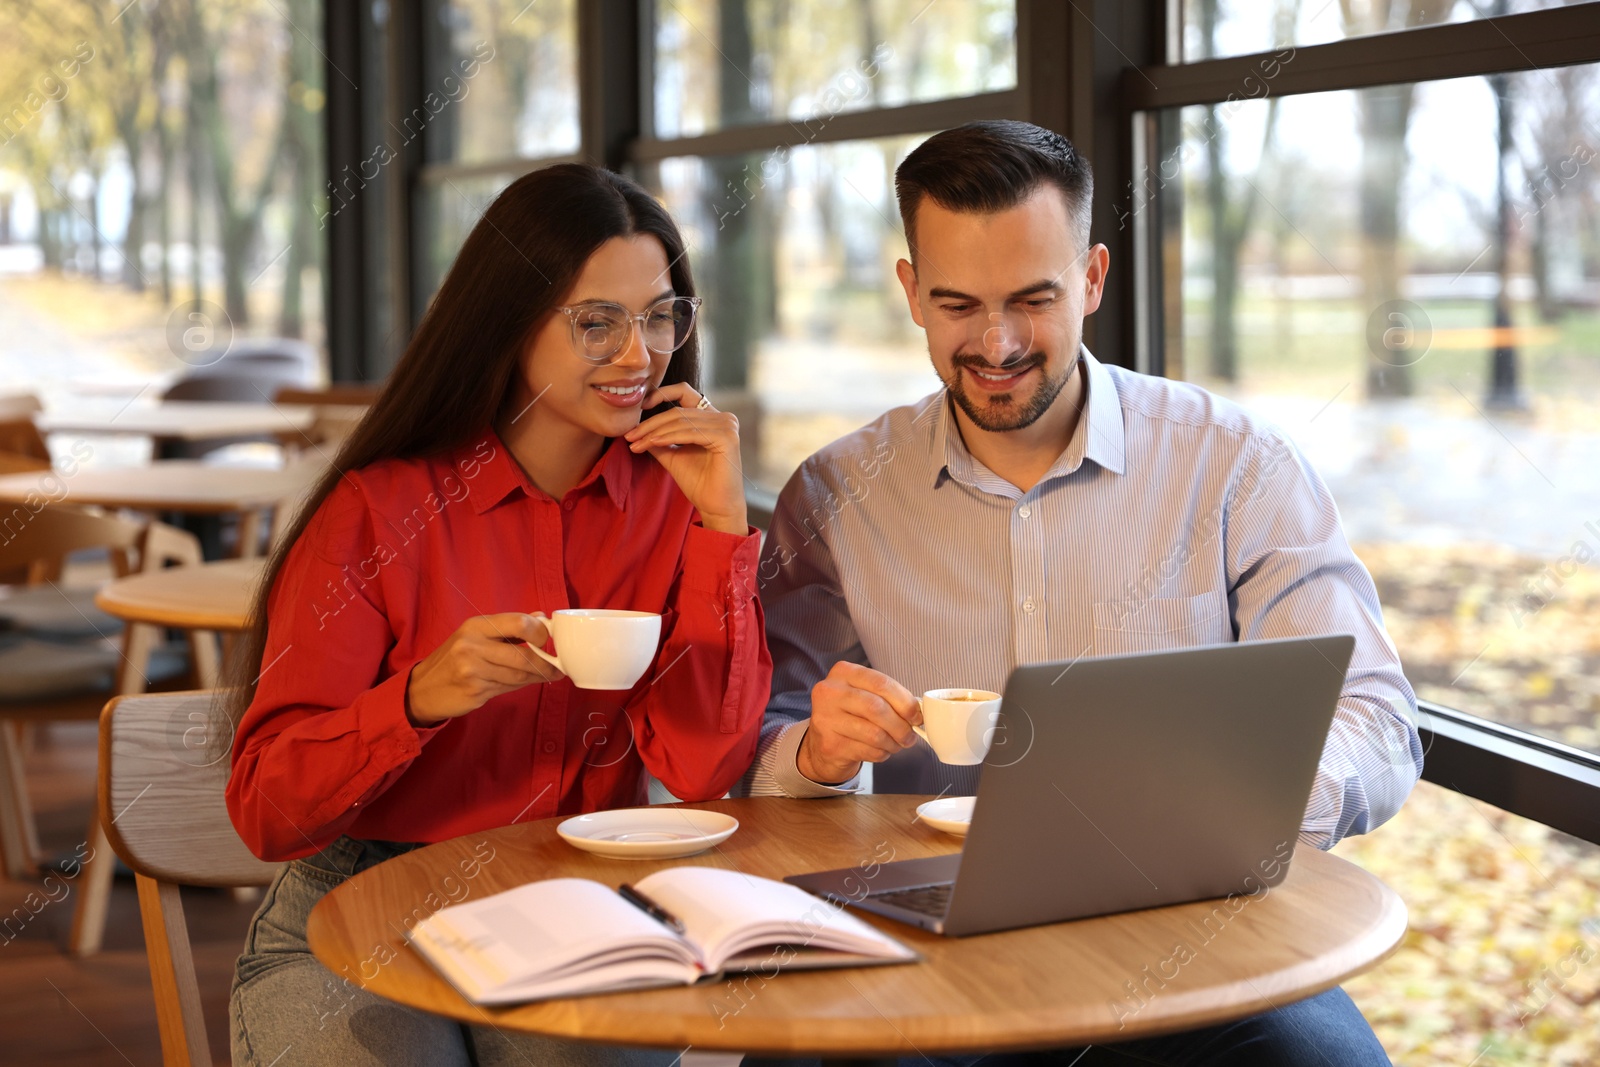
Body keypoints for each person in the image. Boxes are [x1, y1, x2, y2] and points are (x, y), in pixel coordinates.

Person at [742, 121, 1421, 1065]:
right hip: (921, 963)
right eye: (957, 304)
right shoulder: (834, 495)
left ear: (1094, 278)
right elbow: (756, 748)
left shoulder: (1235, 466)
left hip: (1192, 945)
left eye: (1034, 298)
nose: (997, 341)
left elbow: (1380, 717)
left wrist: (1245, 804)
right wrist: (814, 754)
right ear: (911, 293)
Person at [223, 163, 771, 1067]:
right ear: (509, 318)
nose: (640, 354)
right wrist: (416, 699)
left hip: (576, 900)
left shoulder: (674, 502)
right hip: (368, 895)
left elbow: (703, 765)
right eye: (598, 322)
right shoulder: (376, 510)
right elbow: (266, 811)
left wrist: (720, 523)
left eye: (660, 315)